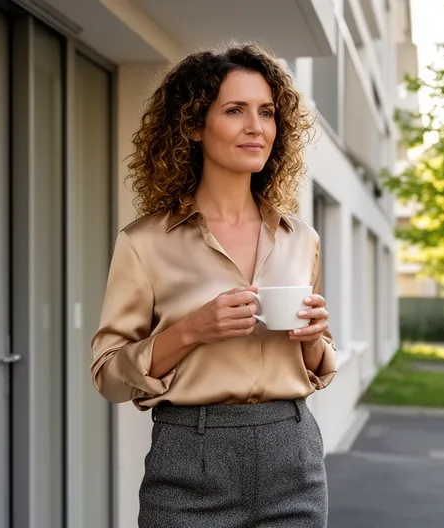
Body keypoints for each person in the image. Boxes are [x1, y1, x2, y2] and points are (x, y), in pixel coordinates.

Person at [89, 43, 337, 527]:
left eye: (266, 112)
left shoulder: (301, 239)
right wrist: (190, 330)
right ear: (194, 126)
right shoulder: (144, 243)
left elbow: (316, 364)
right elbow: (109, 376)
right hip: (189, 460)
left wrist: (312, 340)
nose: (256, 127)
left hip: (293, 455)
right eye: (235, 111)